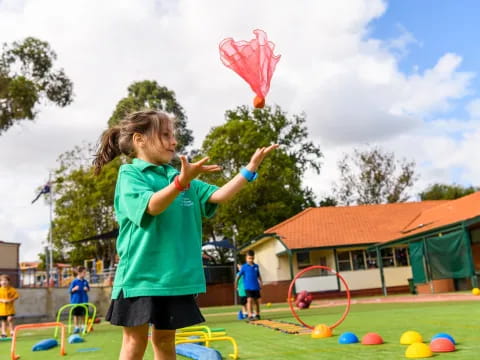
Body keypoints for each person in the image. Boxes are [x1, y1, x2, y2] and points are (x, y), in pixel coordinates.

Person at [93, 110, 277, 360]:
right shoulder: (130, 175)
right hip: (139, 277)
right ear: (140, 140)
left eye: (173, 135)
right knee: (134, 343)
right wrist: (181, 182)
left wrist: (249, 169)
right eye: (165, 135)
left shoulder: (178, 176)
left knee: (166, 341)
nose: (174, 141)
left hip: (175, 277)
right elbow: (153, 206)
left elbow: (219, 195)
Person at [236, 250, 262, 321]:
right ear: (246, 258)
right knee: (249, 300)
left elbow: (258, 276)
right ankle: (250, 315)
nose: (251, 260)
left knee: (256, 301)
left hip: (256, 287)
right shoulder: (244, 267)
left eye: (252, 258)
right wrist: (236, 284)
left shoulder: (256, 266)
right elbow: (238, 276)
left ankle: (257, 314)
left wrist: (261, 283)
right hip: (248, 287)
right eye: (249, 258)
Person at [68, 266, 90, 334]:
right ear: (79, 273)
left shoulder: (85, 282)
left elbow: (88, 289)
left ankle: (83, 327)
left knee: (83, 314)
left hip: (84, 301)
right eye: (84, 272)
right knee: (76, 315)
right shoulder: (74, 282)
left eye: (85, 272)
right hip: (75, 301)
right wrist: (74, 289)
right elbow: (69, 291)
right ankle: (76, 327)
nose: (85, 274)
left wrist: (87, 289)